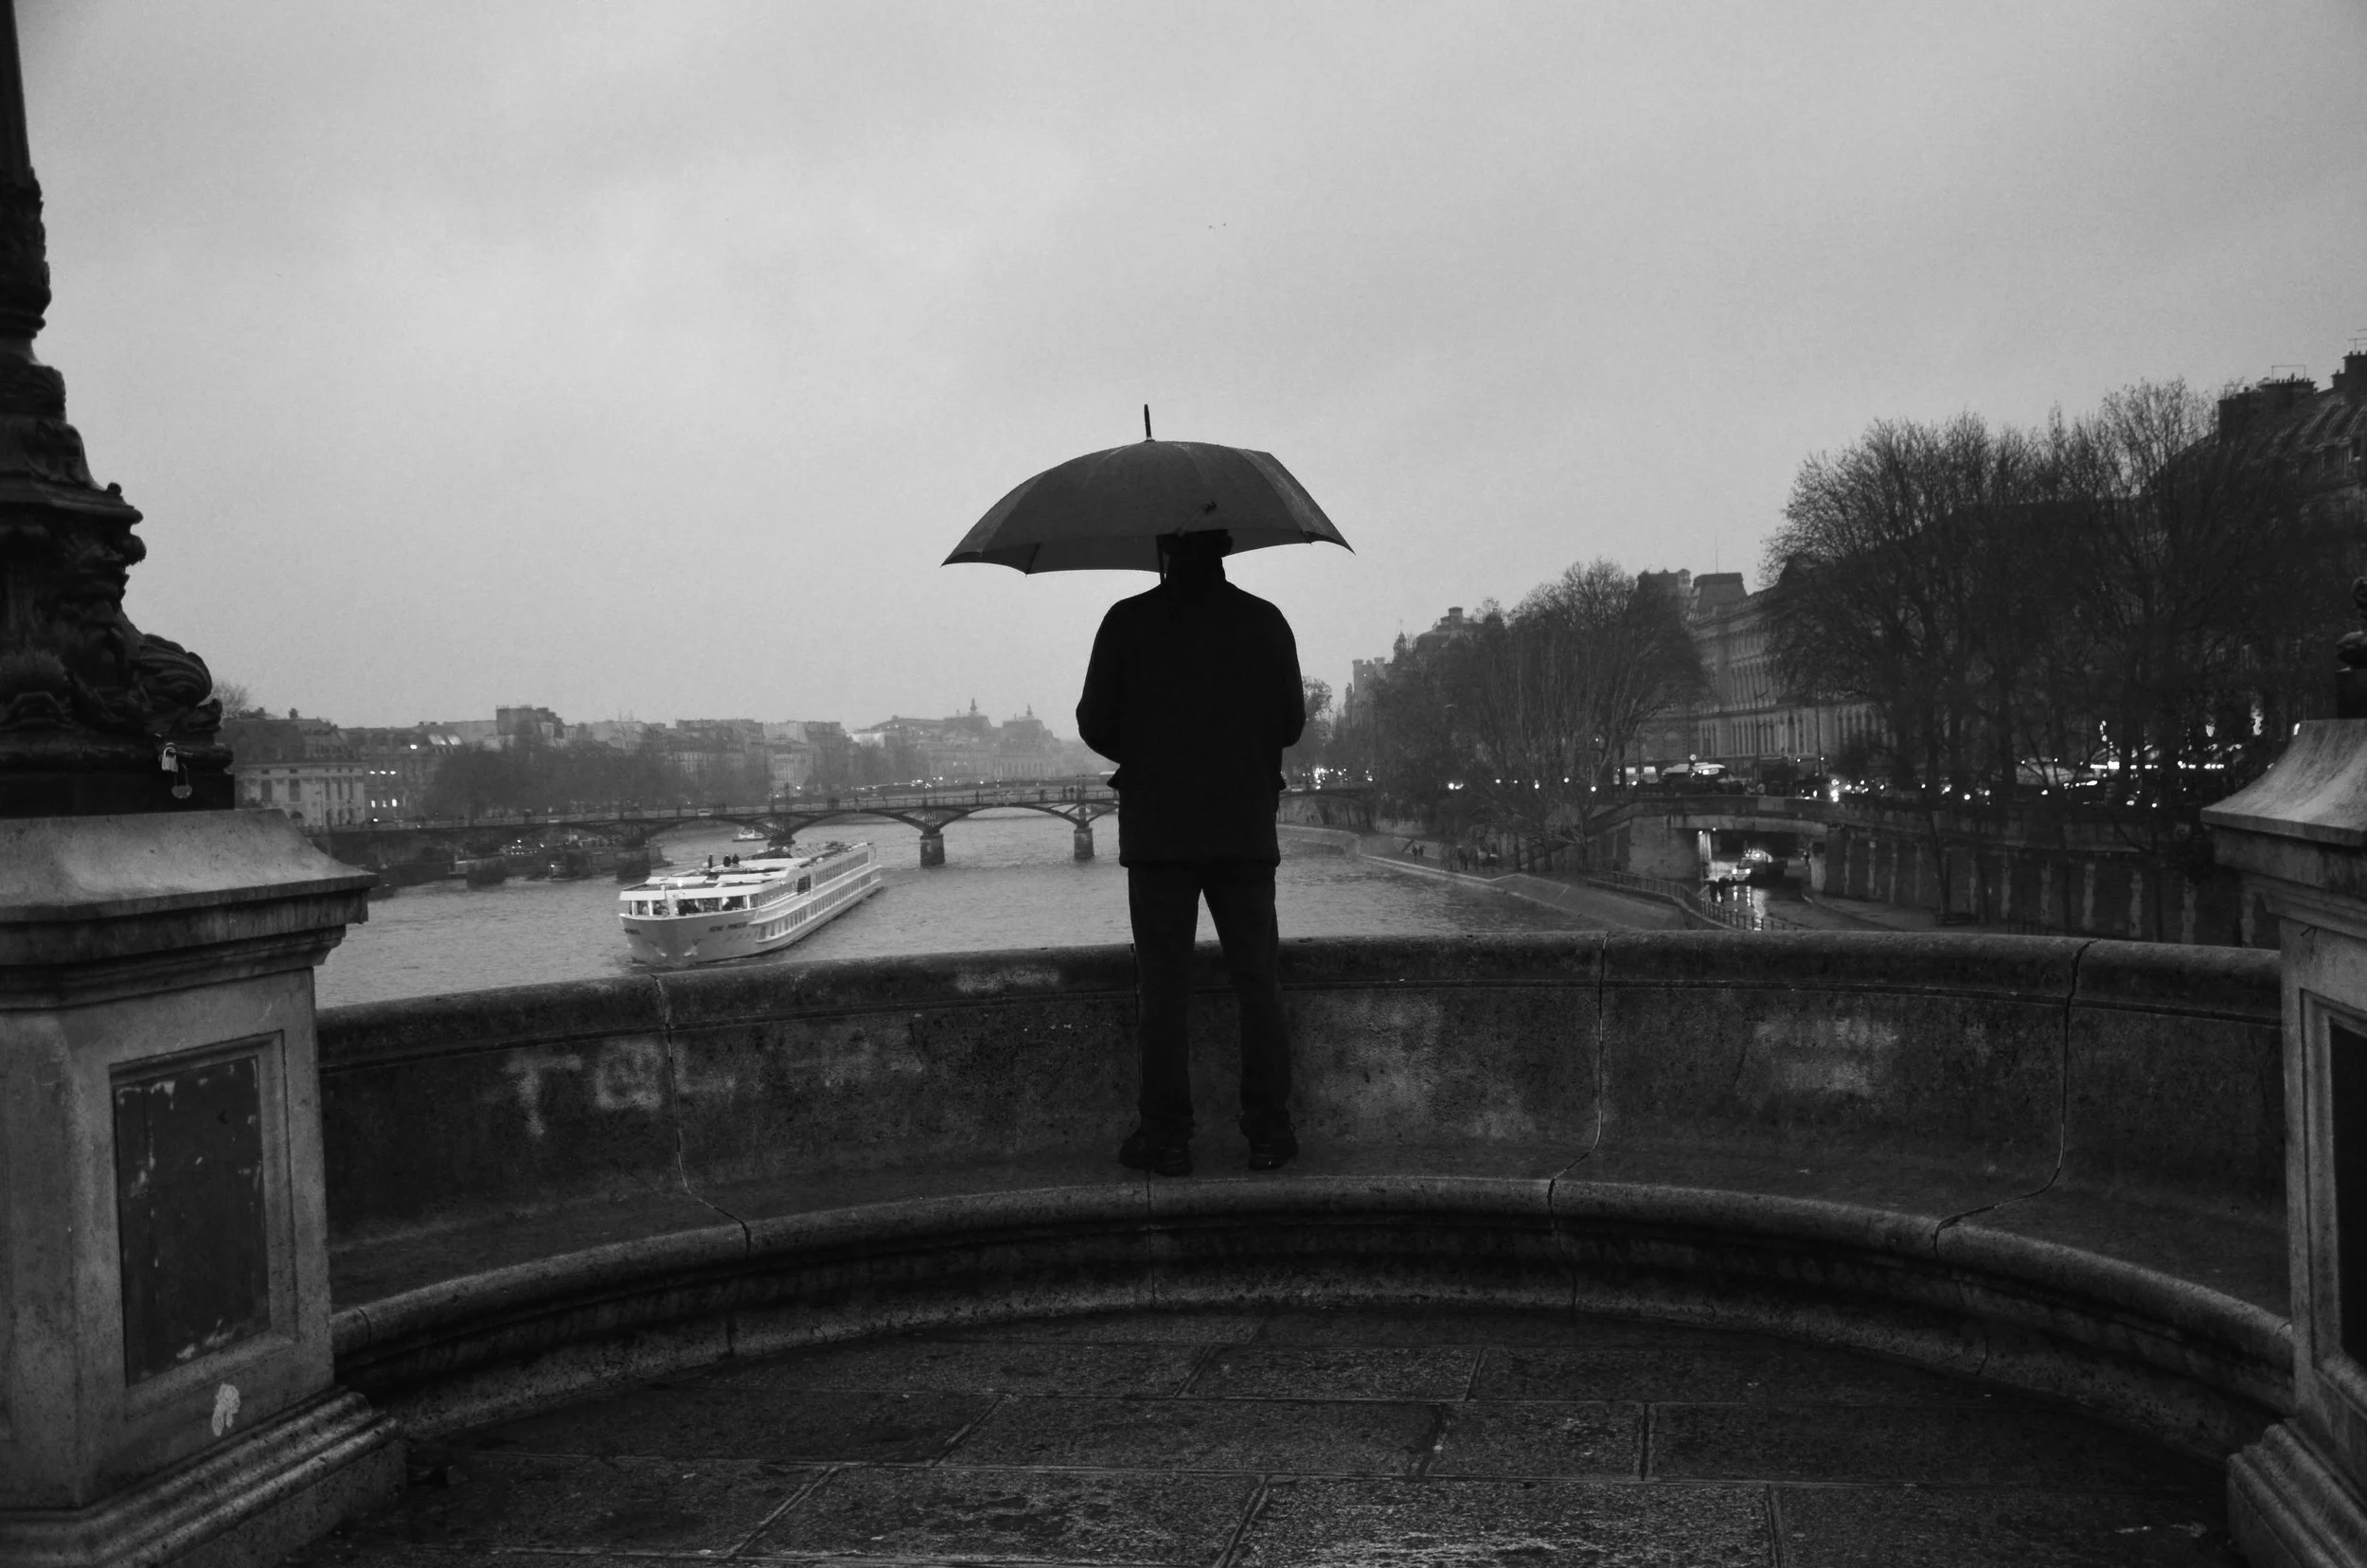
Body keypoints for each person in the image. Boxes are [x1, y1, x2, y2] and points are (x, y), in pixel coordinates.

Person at [1077, 527, 1305, 1178]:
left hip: (1159, 830)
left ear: (1165, 549)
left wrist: (1153, 745)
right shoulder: (1264, 622)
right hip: (1243, 823)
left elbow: (1095, 721)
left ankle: (1167, 1136)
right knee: (1258, 981)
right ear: (1226, 546)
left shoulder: (1127, 621)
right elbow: (1289, 722)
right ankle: (1269, 1132)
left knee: (1164, 987)